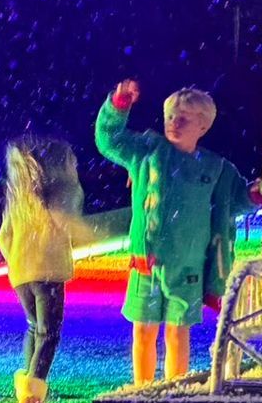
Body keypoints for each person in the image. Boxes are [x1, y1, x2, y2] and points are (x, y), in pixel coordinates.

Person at [95, 79, 250, 384]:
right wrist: (118, 104)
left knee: (177, 332)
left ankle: (173, 391)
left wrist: (257, 195)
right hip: (146, 263)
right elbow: (109, 139)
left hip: (187, 268)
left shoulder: (215, 168)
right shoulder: (147, 152)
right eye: (170, 117)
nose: (174, 124)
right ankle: (142, 390)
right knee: (143, 330)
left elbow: (233, 202)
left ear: (202, 126)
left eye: (184, 119)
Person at [0, 135, 91, 403]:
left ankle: (26, 396)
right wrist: (92, 233)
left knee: (33, 328)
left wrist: (17, 261)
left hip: (21, 272)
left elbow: (3, 236)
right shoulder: (60, 192)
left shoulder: (20, 195)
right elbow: (69, 225)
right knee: (49, 334)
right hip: (48, 270)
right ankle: (32, 401)